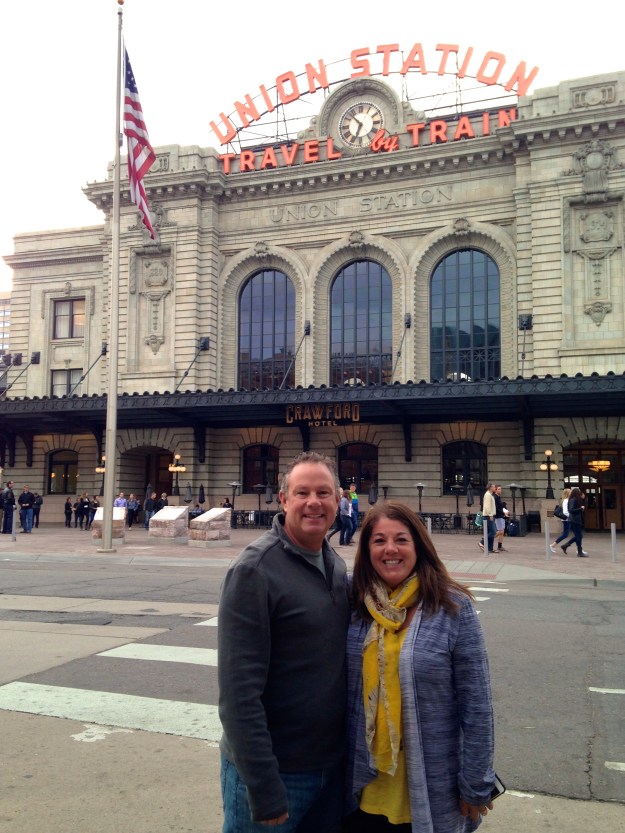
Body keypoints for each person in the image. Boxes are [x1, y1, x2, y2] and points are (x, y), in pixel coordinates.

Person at [344, 501, 496, 833]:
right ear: (367, 549)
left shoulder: (453, 607)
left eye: (401, 539)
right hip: (361, 790)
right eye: (379, 541)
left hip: (431, 787)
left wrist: (475, 782)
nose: (390, 550)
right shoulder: (355, 602)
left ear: (419, 546)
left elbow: (477, 705)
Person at [218, 451, 350, 832]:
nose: (314, 502)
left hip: (330, 767)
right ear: (284, 499)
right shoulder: (253, 571)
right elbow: (238, 693)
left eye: (324, 493)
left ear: (338, 499)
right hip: (275, 773)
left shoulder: (334, 562)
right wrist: (263, 785)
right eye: (303, 492)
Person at [561, 486, 588, 557]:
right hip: (574, 520)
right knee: (579, 536)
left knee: (578, 536)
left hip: (575, 520)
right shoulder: (573, 499)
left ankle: (566, 546)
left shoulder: (573, 499)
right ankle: (579, 551)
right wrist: (580, 508)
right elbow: (571, 510)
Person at [550, 488, 571, 553]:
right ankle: (552, 545)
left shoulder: (565, 500)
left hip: (567, 519)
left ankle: (552, 545)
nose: (571, 493)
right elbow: (565, 512)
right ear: (567, 494)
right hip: (567, 519)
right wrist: (571, 516)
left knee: (570, 534)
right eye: (570, 492)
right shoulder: (566, 501)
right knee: (565, 534)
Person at [478, 483, 496, 553]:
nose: (495, 488)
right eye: (494, 487)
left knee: (491, 531)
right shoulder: (488, 495)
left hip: (490, 515)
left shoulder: (490, 494)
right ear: (490, 487)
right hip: (488, 516)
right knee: (493, 531)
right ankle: (482, 542)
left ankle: (490, 548)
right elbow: (487, 506)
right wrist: (490, 515)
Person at [493, 485, 507, 553]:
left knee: (502, 531)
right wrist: (503, 512)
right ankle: (488, 539)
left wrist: (504, 511)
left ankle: (499, 546)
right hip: (498, 516)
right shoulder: (495, 497)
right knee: (500, 531)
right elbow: (496, 508)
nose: (500, 490)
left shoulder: (498, 497)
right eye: (498, 489)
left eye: (500, 489)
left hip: (501, 515)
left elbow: (500, 507)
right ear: (495, 490)